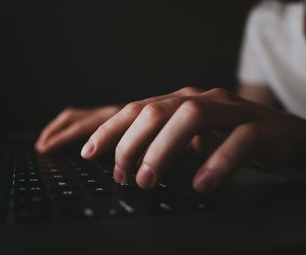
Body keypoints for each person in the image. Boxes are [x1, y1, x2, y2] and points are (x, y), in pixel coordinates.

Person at [36, 0, 306, 193]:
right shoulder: (268, 21)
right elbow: (255, 127)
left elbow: (280, 133)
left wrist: (298, 138)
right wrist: (159, 120)